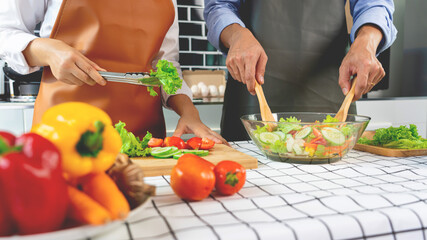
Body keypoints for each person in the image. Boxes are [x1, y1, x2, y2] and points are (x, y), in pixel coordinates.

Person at [0, 0, 226, 143]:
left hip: (144, 140)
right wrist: (47, 49)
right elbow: (4, 30)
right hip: (65, 136)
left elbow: (164, 64)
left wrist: (188, 111)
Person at [204, 0, 397, 141]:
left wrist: (366, 42)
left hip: (332, 94)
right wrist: (237, 35)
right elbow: (219, 5)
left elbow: (375, 4)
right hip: (251, 94)